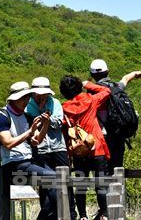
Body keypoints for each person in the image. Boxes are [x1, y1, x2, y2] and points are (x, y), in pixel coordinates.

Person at [0, 81, 57, 220]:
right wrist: (29, 132)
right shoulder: (1, 117)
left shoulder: (27, 116)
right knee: (55, 178)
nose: (26, 101)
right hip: (12, 163)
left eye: (27, 97)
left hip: (29, 160)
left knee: (58, 179)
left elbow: (37, 140)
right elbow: (8, 143)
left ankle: (46, 216)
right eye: (23, 98)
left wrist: (45, 124)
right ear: (14, 99)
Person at [60, 75, 111, 220]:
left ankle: (83, 216)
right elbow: (106, 91)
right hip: (96, 148)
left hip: (78, 151)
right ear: (79, 87)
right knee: (101, 185)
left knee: (80, 186)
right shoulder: (91, 100)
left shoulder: (64, 108)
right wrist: (88, 84)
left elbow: (65, 132)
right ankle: (105, 215)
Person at [25, 77, 76, 219]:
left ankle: (71, 213)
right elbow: (31, 125)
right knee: (46, 183)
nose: (42, 96)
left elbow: (59, 122)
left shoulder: (55, 103)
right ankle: (48, 214)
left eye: (44, 93)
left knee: (66, 180)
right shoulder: (28, 105)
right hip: (40, 149)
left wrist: (46, 117)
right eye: (39, 94)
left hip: (58, 147)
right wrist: (42, 116)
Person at [89, 59, 141, 174]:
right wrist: (136, 73)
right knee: (117, 170)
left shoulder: (92, 91)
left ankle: (107, 191)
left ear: (92, 74)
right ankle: (118, 191)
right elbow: (126, 79)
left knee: (104, 172)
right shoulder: (116, 87)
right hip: (119, 134)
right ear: (108, 71)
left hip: (103, 137)